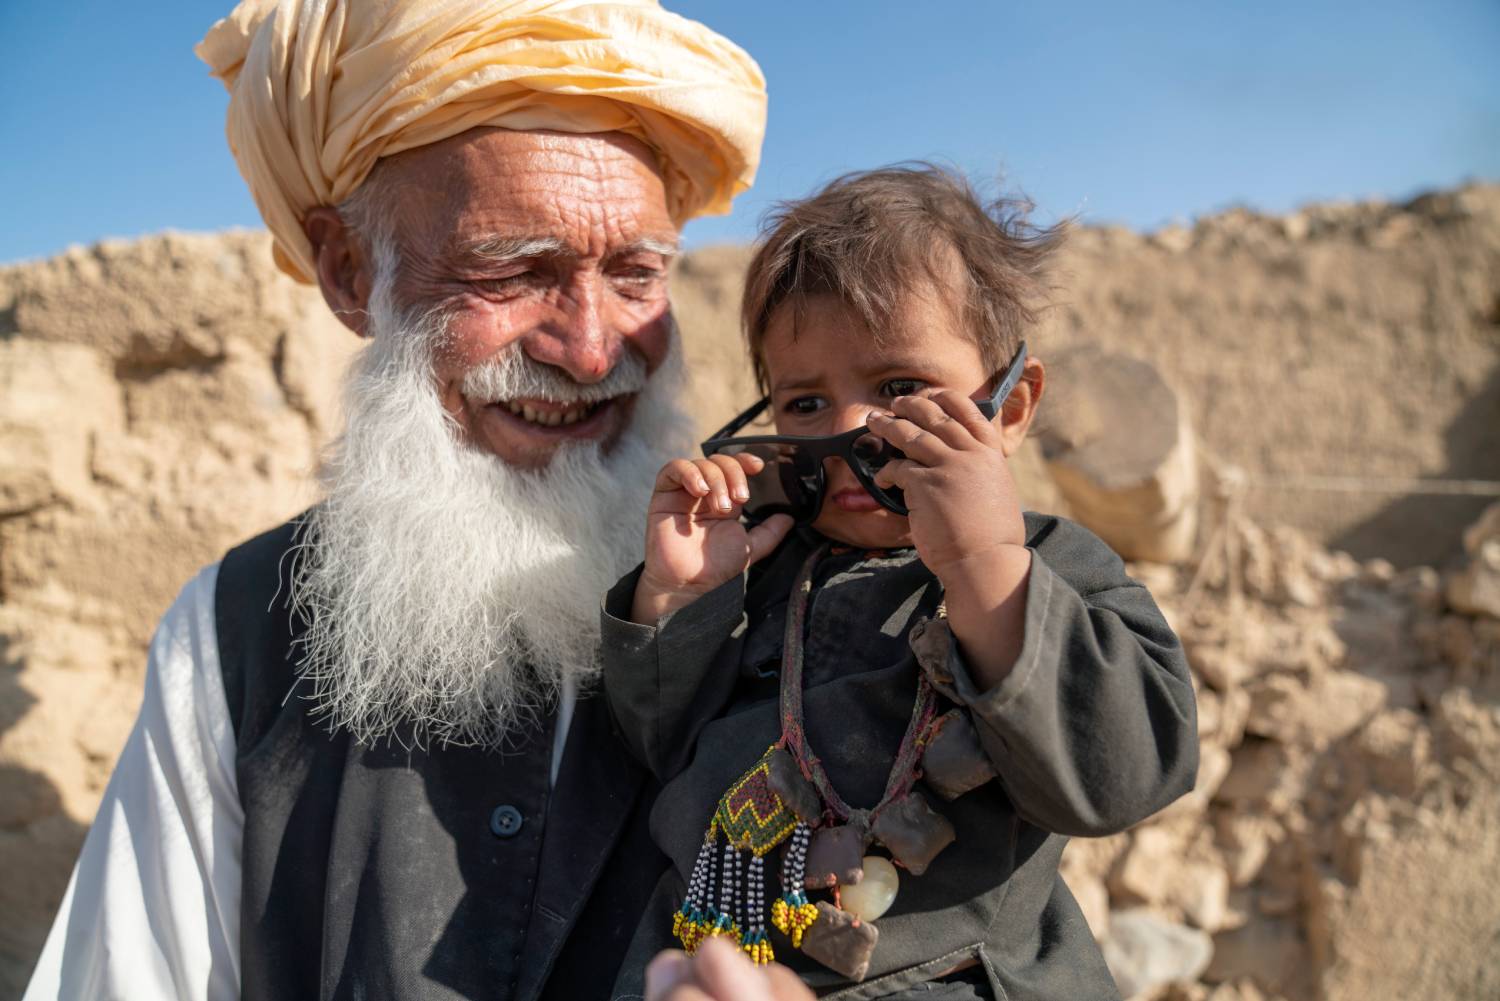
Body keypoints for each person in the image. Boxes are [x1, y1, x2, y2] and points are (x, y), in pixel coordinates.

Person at [23, 2, 768, 998]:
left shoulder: (804, 601)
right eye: (514, 271)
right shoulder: (236, 630)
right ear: (348, 271)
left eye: (635, 274)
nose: (593, 349)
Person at [601, 167, 1200, 999]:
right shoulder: (769, 568)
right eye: (805, 403)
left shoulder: (1050, 564)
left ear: (1011, 406)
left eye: (898, 388)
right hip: (707, 963)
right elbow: (657, 748)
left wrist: (985, 566)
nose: (850, 429)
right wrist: (679, 600)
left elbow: (1125, 774)